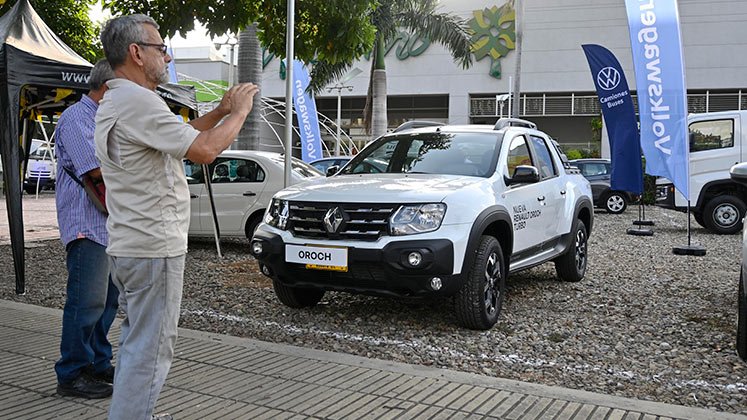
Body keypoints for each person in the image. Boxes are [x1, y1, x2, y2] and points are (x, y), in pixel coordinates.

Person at [96, 14, 259, 420]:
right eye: (160, 48)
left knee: (138, 342)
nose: (166, 57)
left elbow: (183, 138)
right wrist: (239, 112)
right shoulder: (139, 101)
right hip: (153, 247)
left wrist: (221, 110)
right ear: (136, 53)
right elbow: (204, 151)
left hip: (132, 244)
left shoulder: (119, 100)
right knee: (150, 350)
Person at [54, 59, 119, 399]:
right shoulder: (77, 117)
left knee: (107, 302)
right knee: (86, 302)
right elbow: (95, 171)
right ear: (108, 88)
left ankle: (97, 362)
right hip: (87, 226)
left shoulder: (105, 119)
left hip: (108, 226)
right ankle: (72, 372)